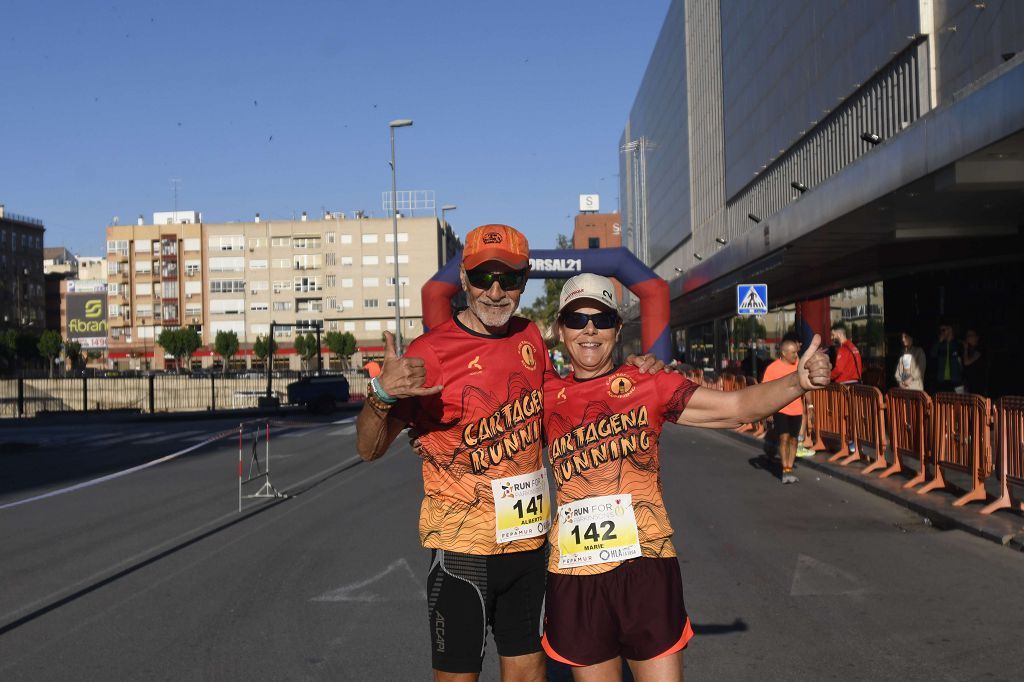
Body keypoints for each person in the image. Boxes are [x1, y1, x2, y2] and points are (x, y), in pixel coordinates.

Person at [355, 225, 661, 681]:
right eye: (483, 277)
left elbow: (563, 403)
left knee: (528, 675)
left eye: (509, 279)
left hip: (529, 547)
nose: (495, 291)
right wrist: (380, 394)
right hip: (463, 551)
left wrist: (631, 379)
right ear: (463, 278)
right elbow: (368, 449)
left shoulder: (530, 338)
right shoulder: (430, 352)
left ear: (525, 279)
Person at [540, 274, 831, 681]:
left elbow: (735, 408)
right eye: (576, 318)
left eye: (602, 319)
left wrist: (797, 382)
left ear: (617, 328)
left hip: (646, 566)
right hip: (576, 573)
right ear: (560, 329)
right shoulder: (542, 396)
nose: (590, 329)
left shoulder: (650, 384)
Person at [763, 339, 804, 483]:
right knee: (784, 438)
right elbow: (765, 390)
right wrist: (767, 411)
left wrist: (810, 407)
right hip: (781, 409)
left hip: (797, 409)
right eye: (793, 352)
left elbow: (806, 386)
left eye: (796, 352)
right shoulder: (773, 368)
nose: (795, 355)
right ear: (784, 353)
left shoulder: (799, 367)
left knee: (793, 441)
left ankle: (789, 469)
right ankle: (785, 469)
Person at [929, 322, 963, 393]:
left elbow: (962, 359)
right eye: (941, 330)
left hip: (955, 379)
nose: (942, 332)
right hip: (942, 379)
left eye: (944, 330)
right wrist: (939, 341)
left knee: (957, 402)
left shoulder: (957, 343)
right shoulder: (940, 344)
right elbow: (933, 354)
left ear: (950, 330)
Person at [962, 328, 987, 396]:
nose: (968, 337)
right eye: (967, 335)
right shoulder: (968, 350)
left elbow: (966, 362)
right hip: (969, 385)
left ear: (977, 337)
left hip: (978, 385)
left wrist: (965, 349)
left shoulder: (980, 349)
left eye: (971, 335)